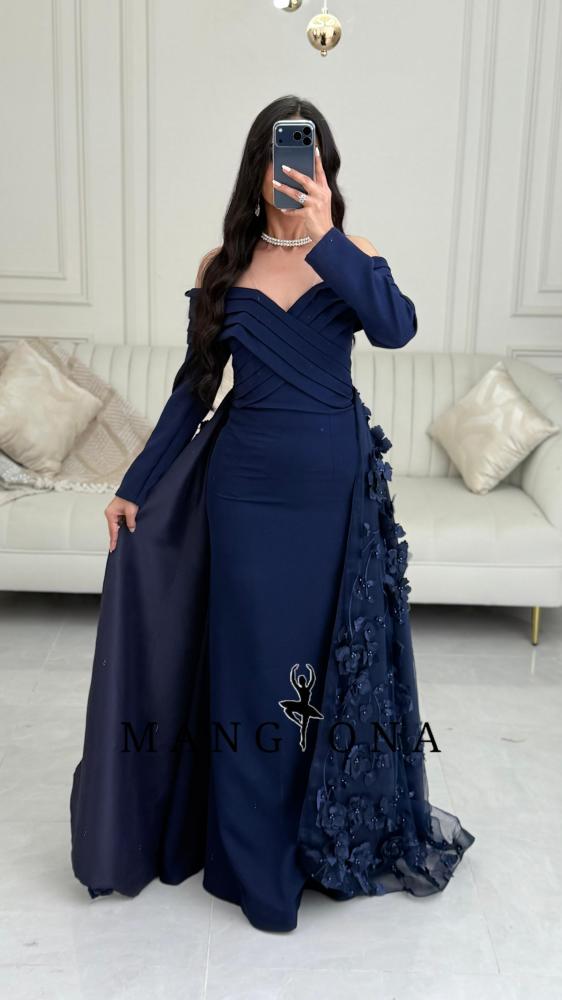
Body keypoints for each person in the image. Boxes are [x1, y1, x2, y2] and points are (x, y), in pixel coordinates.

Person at [70, 96, 475, 934]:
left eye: (309, 156)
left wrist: (325, 236)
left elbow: (396, 330)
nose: (292, 171)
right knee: (255, 676)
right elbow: (194, 390)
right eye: (280, 156)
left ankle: (323, 837)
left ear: (326, 170)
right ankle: (255, 863)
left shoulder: (353, 254)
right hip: (245, 497)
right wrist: (134, 484)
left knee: (322, 677)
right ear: (257, 169)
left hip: (334, 498)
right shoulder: (224, 265)